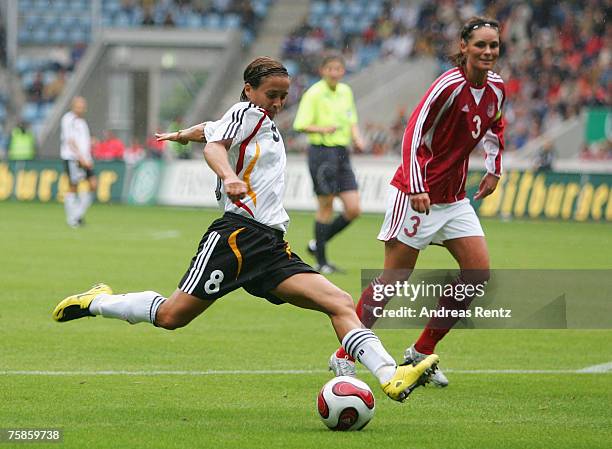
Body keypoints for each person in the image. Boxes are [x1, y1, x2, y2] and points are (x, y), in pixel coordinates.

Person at [51, 57, 438, 402]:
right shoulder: (244, 113)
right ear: (249, 89)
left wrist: (187, 133)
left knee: (337, 301)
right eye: (271, 94)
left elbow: (212, 131)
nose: (277, 102)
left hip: (270, 244)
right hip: (235, 237)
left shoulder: (259, 121)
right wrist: (228, 175)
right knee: (172, 316)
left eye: (284, 96)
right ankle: (97, 300)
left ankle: (391, 376)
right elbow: (215, 147)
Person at [329, 17, 505, 388]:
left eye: (494, 45)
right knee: (393, 279)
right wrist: (415, 184)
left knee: (477, 274)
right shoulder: (447, 86)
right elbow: (413, 132)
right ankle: (344, 355)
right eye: (480, 45)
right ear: (463, 47)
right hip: (417, 196)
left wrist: (493, 168)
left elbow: (495, 126)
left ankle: (422, 352)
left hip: (454, 200)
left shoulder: (497, 89)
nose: (488, 52)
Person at [292, 53, 365, 274]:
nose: (334, 73)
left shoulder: (346, 91)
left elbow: (352, 119)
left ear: (343, 71)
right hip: (321, 153)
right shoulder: (314, 94)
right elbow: (300, 124)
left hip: (342, 152)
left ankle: (317, 245)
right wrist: (322, 129)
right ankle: (322, 262)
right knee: (326, 207)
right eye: (330, 69)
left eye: (338, 69)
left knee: (353, 209)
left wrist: (358, 137)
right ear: (322, 71)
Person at [60, 96, 96, 228]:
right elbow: (70, 141)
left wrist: (91, 144)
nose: (81, 108)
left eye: (83, 106)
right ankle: (72, 219)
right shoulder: (68, 119)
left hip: (84, 158)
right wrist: (81, 158)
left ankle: (77, 215)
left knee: (93, 184)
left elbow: (82, 141)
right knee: (73, 187)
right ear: (73, 106)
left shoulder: (82, 122)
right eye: (79, 106)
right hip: (72, 158)